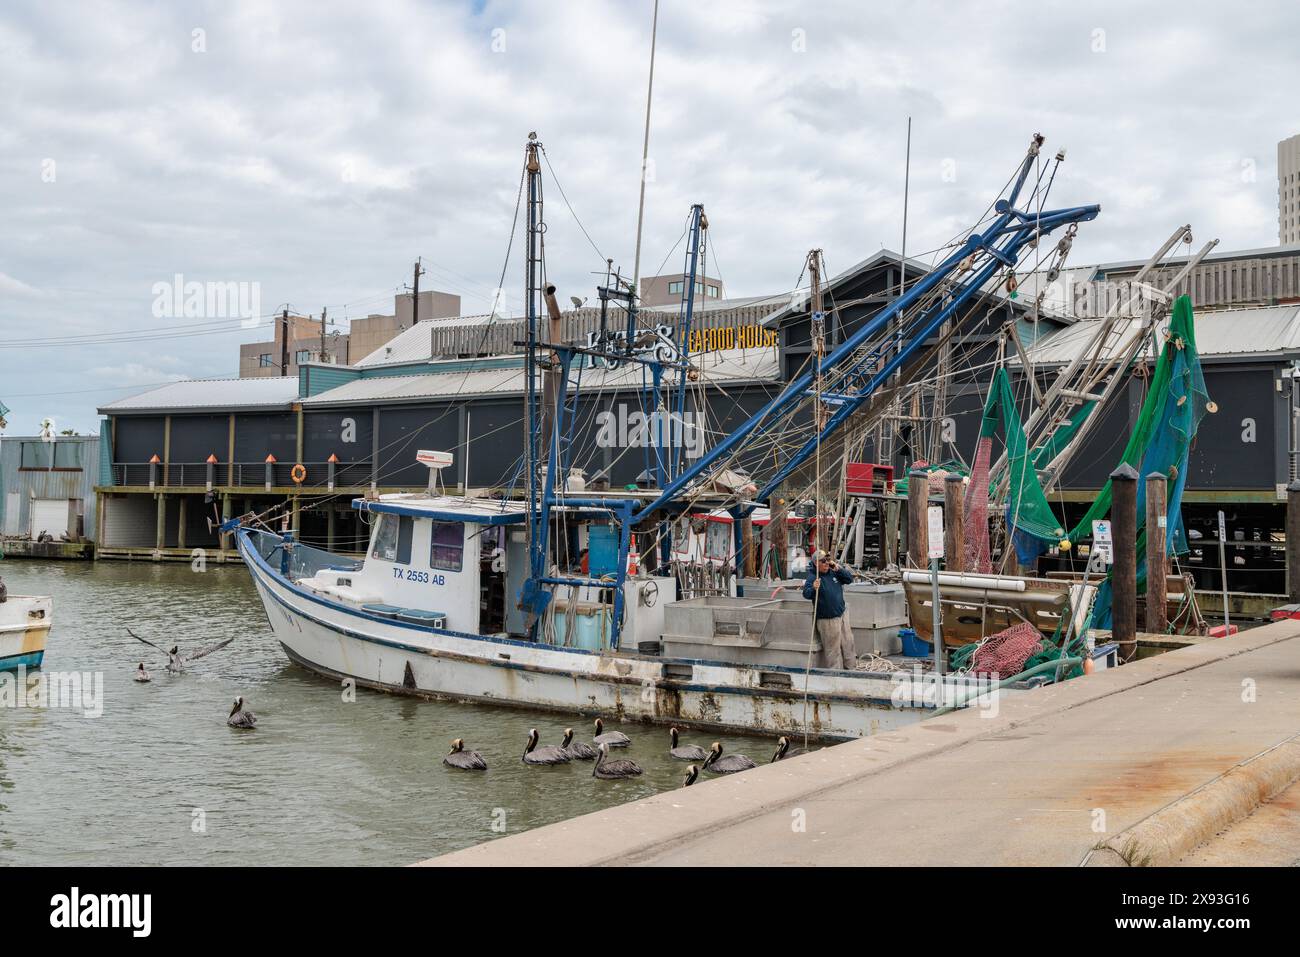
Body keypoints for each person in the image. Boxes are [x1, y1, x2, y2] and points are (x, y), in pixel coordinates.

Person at [801, 551, 857, 669]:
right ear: (816, 563)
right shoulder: (813, 576)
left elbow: (849, 579)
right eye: (823, 561)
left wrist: (838, 568)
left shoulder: (833, 572)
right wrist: (814, 588)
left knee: (848, 645)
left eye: (827, 560)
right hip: (827, 620)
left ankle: (852, 670)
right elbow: (806, 593)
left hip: (841, 616)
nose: (826, 563)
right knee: (833, 651)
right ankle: (835, 675)